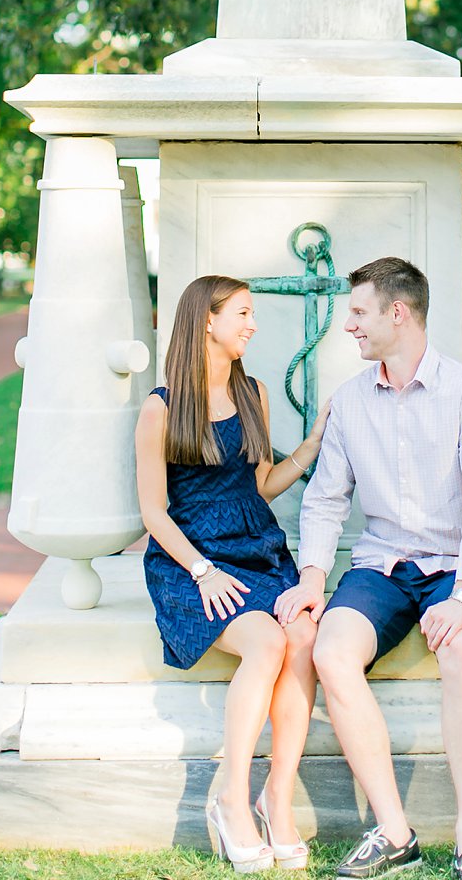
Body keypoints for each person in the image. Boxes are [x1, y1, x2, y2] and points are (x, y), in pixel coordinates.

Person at [274, 256, 462, 880]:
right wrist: (313, 578)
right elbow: (326, 499)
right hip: (381, 566)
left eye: (357, 312)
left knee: (461, 653)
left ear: (396, 313)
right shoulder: (350, 401)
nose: (348, 325)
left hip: (456, 569)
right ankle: (395, 831)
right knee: (330, 653)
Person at [136, 274, 328, 873]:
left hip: (257, 551)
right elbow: (152, 512)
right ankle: (231, 798)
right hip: (189, 563)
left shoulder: (255, 395)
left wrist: (313, 444)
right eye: (242, 313)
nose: (251, 323)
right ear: (207, 321)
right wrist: (200, 570)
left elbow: (261, 482)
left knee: (301, 636)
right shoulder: (160, 408)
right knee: (267, 640)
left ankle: (278, 795)